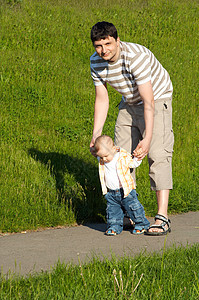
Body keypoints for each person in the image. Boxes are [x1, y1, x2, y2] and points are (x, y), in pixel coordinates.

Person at [90, 21, 174, 235]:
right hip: (128, 101)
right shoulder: (96, 62)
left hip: (156, 98)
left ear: (118, 41)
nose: (103, 50)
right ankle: (130, 213)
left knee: (157, 154)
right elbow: (102, 99)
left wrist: (147, 138)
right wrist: (96, 135)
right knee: (121, 157)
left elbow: (149, 102)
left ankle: (162, 217)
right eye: (98, 46)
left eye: (108, 44)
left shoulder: (136, 57)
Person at [94, 135, 150, 235]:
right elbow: (98, 152)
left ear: (114, 149)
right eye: (101, 157)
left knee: (133, 208)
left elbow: (133, 164)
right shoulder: (103, 158)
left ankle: (141, 224)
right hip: (111, 193)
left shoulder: (121, 157)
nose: (104, 159)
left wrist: (138, 157)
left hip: (126, 191)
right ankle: (114, 227)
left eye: (106, 156)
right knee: (113, 212)